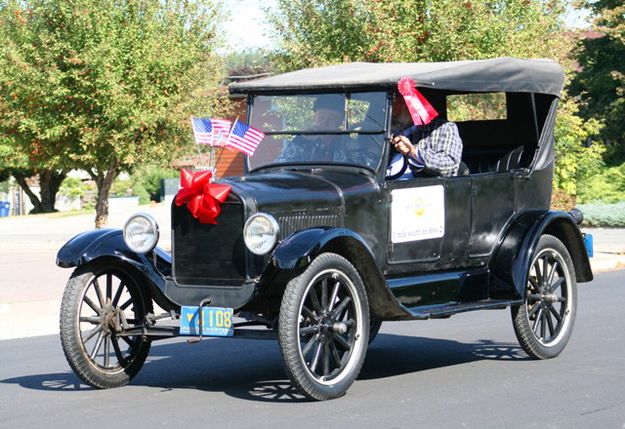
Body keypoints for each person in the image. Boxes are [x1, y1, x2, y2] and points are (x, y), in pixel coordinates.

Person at [387, 96, 463, 179]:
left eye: (396, 105)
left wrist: (413, 152)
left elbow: (449, 165)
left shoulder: (443, 128)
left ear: (410, 107)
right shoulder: (386, 131)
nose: (392, 112)